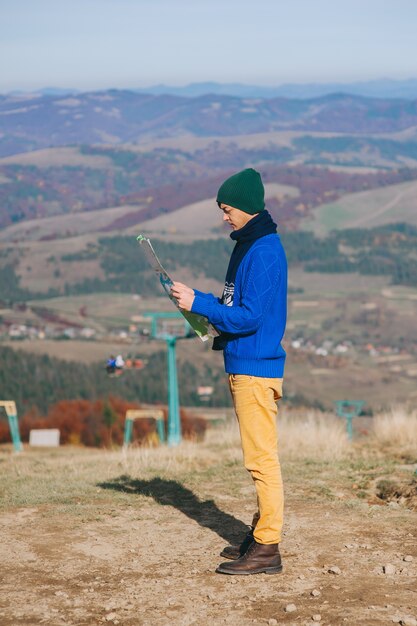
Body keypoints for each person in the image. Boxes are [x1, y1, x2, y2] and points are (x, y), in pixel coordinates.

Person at [171, 168, 287, 576]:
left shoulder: (265, 250)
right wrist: (195, 298)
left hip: (256, 368)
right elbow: (233, 304)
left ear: (247, 208)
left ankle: (268, 548)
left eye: (227, 209)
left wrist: (201, 305)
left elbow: (250, 317)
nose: (224, 217)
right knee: (257, 458)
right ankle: (259, 537)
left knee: (261, 461)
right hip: (243, 364)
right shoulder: (247, 245)